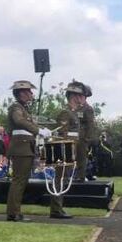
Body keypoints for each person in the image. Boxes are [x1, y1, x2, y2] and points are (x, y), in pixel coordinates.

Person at [5, 80, 52, 222]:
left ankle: (15, 212)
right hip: (21, 148)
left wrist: (42, 130)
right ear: (21, 93)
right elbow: (19, 121)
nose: (31, 94)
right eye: (29, 91)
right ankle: (13, 213)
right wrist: (38, 130)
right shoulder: (16, 107)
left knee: (21, 180)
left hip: (25, 147)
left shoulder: (23, 108)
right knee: (19, 180)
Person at [49, 81, 85, 219]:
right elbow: (61, 133)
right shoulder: (66, 112)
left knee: (63, 179)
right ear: (73, 96)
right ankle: (56, 210)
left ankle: (58, 208)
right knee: (60, 179)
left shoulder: (73, 113)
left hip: (69, 147)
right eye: (80, 95)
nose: (82, 98)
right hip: (62, 147)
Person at [76, 83, 97, 181]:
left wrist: (88, 138)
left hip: (83, 137)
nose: (78, 98)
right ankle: (75, 175)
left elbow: (90, 124)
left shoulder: (88, 109)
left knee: (82, 158)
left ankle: (81, 177)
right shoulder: (75, 108)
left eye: (80, 96)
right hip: (74, 137)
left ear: (85, 97)